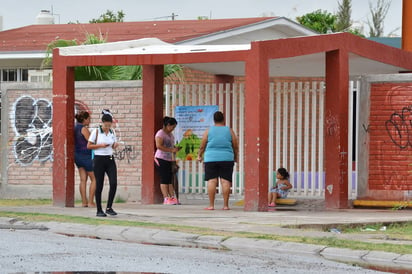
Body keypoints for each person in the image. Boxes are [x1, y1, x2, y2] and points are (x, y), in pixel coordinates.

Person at [197, 111, 238, 210]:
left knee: (212, 181)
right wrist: (235, 157)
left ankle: (211, 205)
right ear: (223, 119)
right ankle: (225, 205)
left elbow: (202, 145)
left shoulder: (208, 131)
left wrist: (199, 155)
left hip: (211, 158)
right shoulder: (229, 130)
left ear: (214, 120)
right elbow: (235, 146)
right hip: (227, 158)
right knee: (225, 181)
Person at [87, 110, 119, 217]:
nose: (107, 127)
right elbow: (89, 146)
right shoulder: (96, 132)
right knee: (99, 184)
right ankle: (99, 209)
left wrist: (115, 145)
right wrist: (101, 145)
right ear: (102, 123)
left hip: (109, 158)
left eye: (109, 125)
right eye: (106, 125)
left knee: (113, 182)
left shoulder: (112, 132)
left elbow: (113, 144)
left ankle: (109, 207)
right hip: (99, 159)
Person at [154, 116, 181, 205]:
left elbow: (171, 147)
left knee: (170, 179)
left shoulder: (171, 135)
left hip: (169, 159)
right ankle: (166, 198)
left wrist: (175, 149)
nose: (173, 129)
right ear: (168, 125)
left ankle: (172, 197)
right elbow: (159, 146)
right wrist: (171, 150)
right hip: (161, 158)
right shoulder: (160, 133)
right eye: (172, 127)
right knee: (164, 178)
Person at [74, 111, 96, 207]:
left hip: (77, 156)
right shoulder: (84, 129)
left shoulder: (75, 128)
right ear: (84, 119)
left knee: (83, 180)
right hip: (86, 156)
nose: (90, 121)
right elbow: (91, 142)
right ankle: (91, 202)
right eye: (89, 119)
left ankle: (84, 202)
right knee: (95, 179)